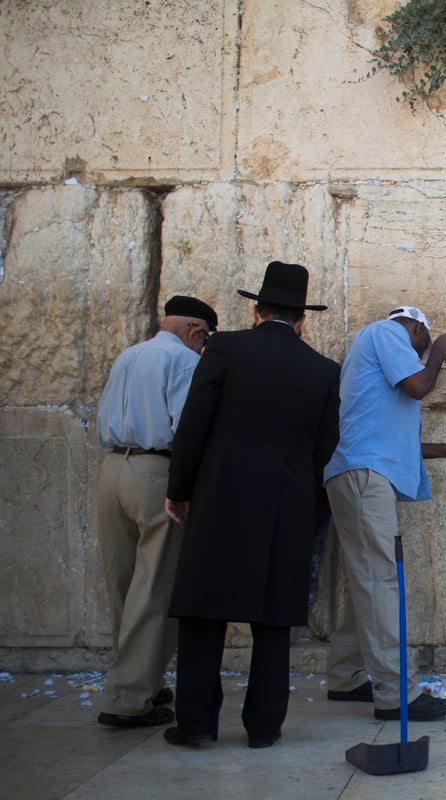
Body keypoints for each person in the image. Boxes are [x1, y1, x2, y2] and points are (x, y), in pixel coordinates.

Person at [162, 261, 341, 749]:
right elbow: (325, 450)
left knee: (203, 611)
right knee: (272, 619)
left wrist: (180, 489)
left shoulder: (225, 348)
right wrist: (308, 507)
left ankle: (197, 723)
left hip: (221, 495)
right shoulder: (323, 371)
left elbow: (194, 424)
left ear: (257, 310)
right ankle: (264, 727)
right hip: (286, 504)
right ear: (302, 318)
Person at [322, 306, 446, 722]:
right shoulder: (388, 333)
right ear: (417, 327)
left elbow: (389, 436)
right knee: (380, 580)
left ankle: (345, 676)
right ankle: (395, 695)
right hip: (363, 476)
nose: (424, 349)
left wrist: (444, 450)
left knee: (370, 578)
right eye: (425, 339)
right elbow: (418, 386)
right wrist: (438, 354)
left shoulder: (377, 349)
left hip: (362, 472)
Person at [94, 295, 218, 729]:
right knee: (155, 586)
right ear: (194, 330)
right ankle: (129, 699)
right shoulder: (184, 361)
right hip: (154, 472)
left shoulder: (129, 355)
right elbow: (186, 430)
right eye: (205, 338)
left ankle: (136, 678)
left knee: (124, 585)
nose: (204, 346)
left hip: (112, 469)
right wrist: (186, 488)